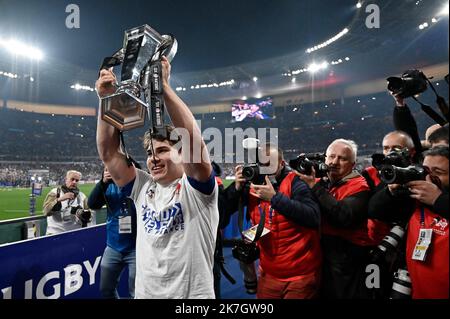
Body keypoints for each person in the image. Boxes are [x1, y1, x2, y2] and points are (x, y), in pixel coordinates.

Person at [95, 56, 219, 299]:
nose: (153, 158)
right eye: (150, 153)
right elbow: (108, 153)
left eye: (162, 150)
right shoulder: (142, 186)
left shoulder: (196, 189)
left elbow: (193, 142)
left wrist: (163, 88)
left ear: (181, 153)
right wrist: (105, 100)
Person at [226, 143, 322, 299]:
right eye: (262, 164)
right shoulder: (251, 185)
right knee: (242, 245)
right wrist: (236, 188)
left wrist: (274, 198)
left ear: (281, 164)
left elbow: (313, 217)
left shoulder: (296, 182)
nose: (265, 169)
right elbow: (222, 210)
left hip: (299, 274)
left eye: (270, 163)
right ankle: (249, 281)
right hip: (269, 272)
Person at [297, 139, 373, 299]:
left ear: (352, 164)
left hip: (348, 260)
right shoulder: (325, 182)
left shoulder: (360, 186)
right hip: (324, 256)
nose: (335, 162)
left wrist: (314, 187)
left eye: (342, 158)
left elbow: (343, 217)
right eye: (331, 156)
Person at [88, 165, 138, 299]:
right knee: (106, 289)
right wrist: (102, 183)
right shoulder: (107, 187)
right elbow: (92, 204)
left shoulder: (137, 186)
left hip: (137, 247)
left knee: (137, 291)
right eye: (106, 169)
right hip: (113, 247)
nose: (111, 171)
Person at [406, 146, 449, 298]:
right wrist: (391, 191)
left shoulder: (439, 200)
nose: (429, 178)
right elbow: (375, 209)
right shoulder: (415, 201)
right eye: (425, 171)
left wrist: (439, 200)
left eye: (438, 173)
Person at [43, 170, 91, 235]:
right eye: (72, 179)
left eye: (77, 180)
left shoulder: (82, 196)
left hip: (75, 234)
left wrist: (82, 215)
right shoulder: (54, 193)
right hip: (55, 234)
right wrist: (59, 199)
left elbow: (90, 215)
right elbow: (45, 211)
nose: (74, 182)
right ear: (66, 179)